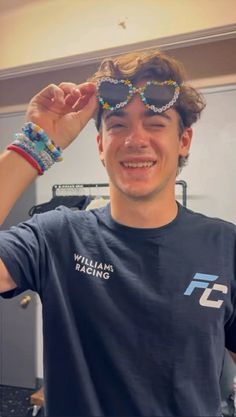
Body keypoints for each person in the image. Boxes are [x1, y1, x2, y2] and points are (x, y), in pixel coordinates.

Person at [0, 49, 235, 417]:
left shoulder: (225, 245)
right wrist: (35, 144)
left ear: (183, 140)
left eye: (155, 123)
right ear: (100, 144)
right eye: (118, 124)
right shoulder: (57, 235)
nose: (135, 139)